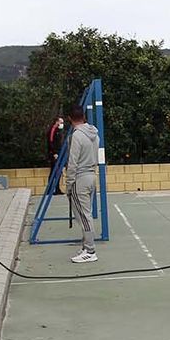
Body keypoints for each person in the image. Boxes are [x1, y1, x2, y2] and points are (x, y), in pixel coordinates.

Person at [65, 105, 100, 263]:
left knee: (84, 216)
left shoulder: (77, 136)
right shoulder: (94, 134)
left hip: (80, 178)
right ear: (84, 117)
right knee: (85, 213)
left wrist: (69, 184)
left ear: (70, 118)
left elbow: (72, 162)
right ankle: (87, 246)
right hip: (91, 175)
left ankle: (90, 251)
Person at [46, 114, 67, 194]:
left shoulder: (59, 131)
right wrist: (54, 152)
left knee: (58, 171)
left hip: (59, 153)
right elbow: (51, 142)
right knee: (54, 171)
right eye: (61, 122)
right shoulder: (53, 130)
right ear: (57, 122)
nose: (62, 124)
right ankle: (50, 189)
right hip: (54, 153)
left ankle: (57, 189)